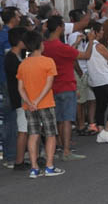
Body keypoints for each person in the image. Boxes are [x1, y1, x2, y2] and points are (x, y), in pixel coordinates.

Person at [42, 15, 93, 161]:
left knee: (57, 119)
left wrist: (75, 44)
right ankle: (66, 151)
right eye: (63, 25)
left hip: (51, 87)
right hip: (66, 85)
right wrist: (89, 41)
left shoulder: (45, 46)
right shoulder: (62, 47)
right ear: (58, 28)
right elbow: (86, 55)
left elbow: (67, 53)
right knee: (67, 120)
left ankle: (57, 146)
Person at [16, 30, 64, 177]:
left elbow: (20, 88)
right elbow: (48, 85)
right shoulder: (48, 62)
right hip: (45, 103)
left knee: (33, 134)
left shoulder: (23, 64)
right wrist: (37, 101)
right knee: (50, 135)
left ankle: (34, 168)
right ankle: (49, 166)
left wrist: (30, 102)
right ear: (40, 44)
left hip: (29, 106)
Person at [3, 27, 28, 170]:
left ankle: (24, 157)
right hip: (18, 98)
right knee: (22, 130)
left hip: (23, 97)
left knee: (26, 129)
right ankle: (18, 160)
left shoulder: (21, 54)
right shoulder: (11, 58)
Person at [0, 6, 21, 168]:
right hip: (9, 81)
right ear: (12, 18)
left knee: (11, 117)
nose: (19, 17)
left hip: (7, 80)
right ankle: (11, 155)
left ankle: (12, 153)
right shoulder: (7, 36)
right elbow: (11, 59)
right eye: (18, 15)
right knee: (11, 117)